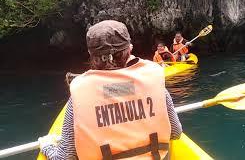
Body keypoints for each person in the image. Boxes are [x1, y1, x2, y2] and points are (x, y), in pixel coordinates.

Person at [39, 20, 182, 160]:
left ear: (91, 54)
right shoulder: (153, 81)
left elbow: (65, 157)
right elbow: (175, 132)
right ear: (129, 49)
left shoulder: (80, 95)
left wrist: (47, 146)